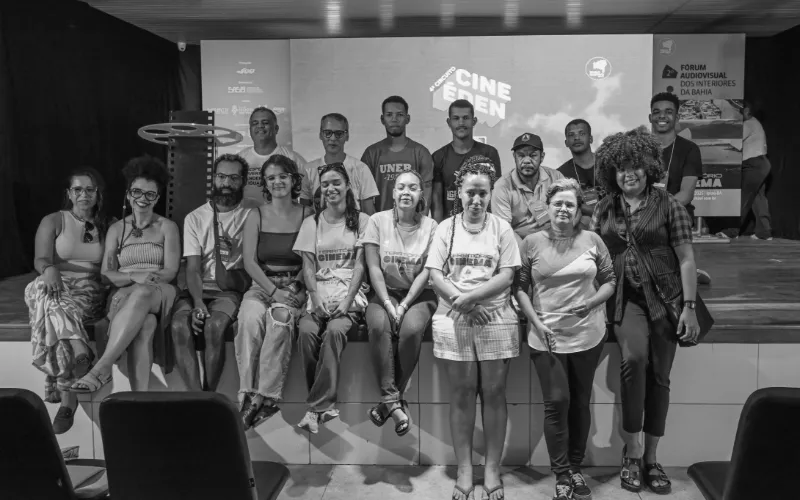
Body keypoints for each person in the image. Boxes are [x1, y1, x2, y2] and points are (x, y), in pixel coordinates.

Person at [591, 127, 701, 495]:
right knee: (634, 361)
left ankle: (652, 458)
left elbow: (686, 259)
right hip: (625, 301)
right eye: (621, 168)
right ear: (612, 172)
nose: (629, 174)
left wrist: (689, 308)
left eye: (636, 166)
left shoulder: (669, 204)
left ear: (649, 167)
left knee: (660, 377)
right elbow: (592, 256)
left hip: (667, 301)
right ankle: (632, 451)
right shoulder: (605, 207)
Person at [425, 156, 520, 500]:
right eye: (471, 193)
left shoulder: (501, 228)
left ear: (491, 193)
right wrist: (462, 303)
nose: (477, 200)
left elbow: (507, 275)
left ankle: (492, 468)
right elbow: (435, 274)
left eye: (483, 193)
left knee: (494, 393)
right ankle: (464, 469)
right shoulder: (445, 228)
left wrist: (471, 299)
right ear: (459, 193)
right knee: (463, 393)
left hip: (495, 317)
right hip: (455, 317)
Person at [515, 178, 616, 500]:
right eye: (557, 203)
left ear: (577, 210)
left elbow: (610, 281)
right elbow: (519, 288)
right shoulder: (531, 242)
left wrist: (590, 303)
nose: (563, 209)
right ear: (547, 207)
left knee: (580, 402)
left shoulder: (593, 240)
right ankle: (560, 473)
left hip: (588, 335)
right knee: (557, 402)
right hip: (545, 336)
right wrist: (536, 323)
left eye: (569, 204)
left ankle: (575, 468)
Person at [70, 156, 181, 393]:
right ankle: (139, 399)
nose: (143, 199)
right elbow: (106, 274)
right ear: (129, 195)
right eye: (137, 192)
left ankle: (101, 369)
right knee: (146, 324)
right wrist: (133, 278)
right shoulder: (117, 229)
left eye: (150, 194)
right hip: (124, 292)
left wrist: (140, 282)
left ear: (157, 198)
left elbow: (170, 271)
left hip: (159, 292)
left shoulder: (167, 227)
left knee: (142, 293)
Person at [25, 167, 112, 433]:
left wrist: (80, 271)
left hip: (89, 289)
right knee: (42, 288)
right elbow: (40, 259)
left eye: (90, 189)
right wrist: (49, 269)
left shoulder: (109, 223)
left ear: (98, 193)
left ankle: (67, 400)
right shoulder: (53, 220)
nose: (84, 194)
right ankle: (80, 349)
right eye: (78, 189)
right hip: (55, 284)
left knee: (54, 314)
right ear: (69, 193)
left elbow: (108, 268)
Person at [293, 164, 370, 433]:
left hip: (349, 293)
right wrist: (315, 298)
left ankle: (316, 408)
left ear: (348, 185)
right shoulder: (311, 222)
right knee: (306, 332)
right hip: (319, 293)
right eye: (325, 184)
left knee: (335, 331)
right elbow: (307, 266)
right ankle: (322, 407)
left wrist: (347, 301)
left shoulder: (362, 221)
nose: (330, 188)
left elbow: (361, 266)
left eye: (336, 182)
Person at [236, 154, 310, 429]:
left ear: (293, 179)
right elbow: (249, 262)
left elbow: (310, 260)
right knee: (249, 319)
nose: (277, 182)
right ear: (265, 184)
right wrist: (271, 291)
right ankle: (246, 393)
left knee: (280, 320)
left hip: (294, 285)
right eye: (271, 178)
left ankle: (263, 398)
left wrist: (293, 288)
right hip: (262, 285)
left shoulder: (307, 214)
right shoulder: (255, 215)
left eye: (282, 176)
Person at [363, 171, 438, 436]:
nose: (406, 192)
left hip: (420, 294)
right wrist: (386, 301)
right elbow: (373, 267)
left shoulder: (432, 226)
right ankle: (394, 403)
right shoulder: (376, 221)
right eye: (401, 187)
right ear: (393, 193)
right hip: (383, 291)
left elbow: (428, 271)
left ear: (421, 195)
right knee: (378, 326)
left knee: (411, 330)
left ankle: (388, 403)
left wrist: (404, 305)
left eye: (413, 188)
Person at [170, 154, 250, 393]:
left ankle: (208, 395)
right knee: (178, 325)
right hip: (197, 288)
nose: (227, 183)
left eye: (234, 178)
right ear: (213, 178)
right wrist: (197, 303)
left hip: (228, 290)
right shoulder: (195, 217)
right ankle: (196, 397)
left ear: (243, 181)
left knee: (214, 326)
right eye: (222, 176)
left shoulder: (252, 214)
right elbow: (192, 268)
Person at [649, 92, 711, 284]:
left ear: (677, 118)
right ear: (650, 117)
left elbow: (686, 194)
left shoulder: (689, 149)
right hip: (640, 209)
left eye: (668, 112)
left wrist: (655, 210)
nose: (662, 116)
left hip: (675, 210)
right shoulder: (641, 149)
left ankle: (681, 268)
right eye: (657, 112)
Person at [360, 95, 435, 213]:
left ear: (407, 119)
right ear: (382, 119)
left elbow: (426, 192)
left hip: (413, 221)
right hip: (380, 221)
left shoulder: (421, 152)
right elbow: (365, 196)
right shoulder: (371, 153)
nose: (394, 119)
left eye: (399, 115)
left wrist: (420, 220)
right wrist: (374, 221)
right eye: (389, 115)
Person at [431, 99, 502, 222]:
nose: (461, 122)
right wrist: (439, 229)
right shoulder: (438, 157)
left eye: (465, 118)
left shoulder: (489, 153)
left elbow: (495, 194)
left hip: (483, 225)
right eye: (456, 118)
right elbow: (436, 200)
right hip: (451, 226)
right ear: (449, 122)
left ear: (474, 121)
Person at [491, 133, 565, 248]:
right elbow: (504, 230)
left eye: (533, 155)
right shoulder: (502, 186)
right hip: (520, 244)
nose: (526, 161)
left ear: (542, 157)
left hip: (555, 239)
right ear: (514, 157)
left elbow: (572, 211)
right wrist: (527, 253)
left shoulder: (556, 177)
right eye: (521, 155)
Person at [300, 113, 379, 215]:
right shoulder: (309, 170)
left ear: (347, 136)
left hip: (354, 224)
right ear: (320, 135)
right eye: (327, 133)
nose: (333, 138)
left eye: (339, 133)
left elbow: (369, 214)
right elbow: (304, 212)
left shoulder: (361, 169)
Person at [238, 107, 307, 208]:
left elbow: (307, 193)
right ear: (250, 130)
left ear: (276, 129)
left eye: (265, 122)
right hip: (247, 216)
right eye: (255, 123)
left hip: (283, 216)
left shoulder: (293, 159)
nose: (260, 126)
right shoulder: (240, 159)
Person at [558, 119, 606, 228]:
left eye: (582, 133)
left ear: (591, 139)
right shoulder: (561, 174)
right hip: (582, 227)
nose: (577, 138)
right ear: (566, 143)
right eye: (571, 135)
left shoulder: (608, 163)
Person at [740, 101, 773, 240]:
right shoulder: (754, 123)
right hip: (761, 163)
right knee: (758, 198)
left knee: (744, 197)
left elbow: (734, 140)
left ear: (746, 111)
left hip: (755, 163)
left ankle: (731, 230)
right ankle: (764, 232)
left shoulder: (749, 124)